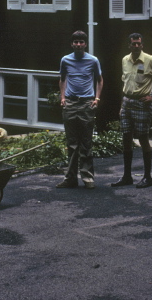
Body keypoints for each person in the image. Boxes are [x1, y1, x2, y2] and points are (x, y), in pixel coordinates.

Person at [112, 33, 152, 189]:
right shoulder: (125, 60)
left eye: (139, 44)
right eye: (133, 44)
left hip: (142, 103)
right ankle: (127, 176)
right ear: (129, 46)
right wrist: (122, 105)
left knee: (143, 138)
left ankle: (147, 177)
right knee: (126, 137)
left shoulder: (150, 60)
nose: (136, 46)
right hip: (127, 102)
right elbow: (125, 83)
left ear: (142, 45)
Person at [57, 30, 103, 189]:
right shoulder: (65, 60)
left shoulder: (93, 60)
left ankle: (88, 178)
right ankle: (70, 178)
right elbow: (62, 79)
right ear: (72, 44)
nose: (78, 44)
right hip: (70, 104)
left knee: (86, 142)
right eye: (75, 42)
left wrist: (96, 98)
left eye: (81, 42)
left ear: (85, 44)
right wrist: (62, 97)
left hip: (86, 104)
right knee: (71, 143)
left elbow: (99, 80)